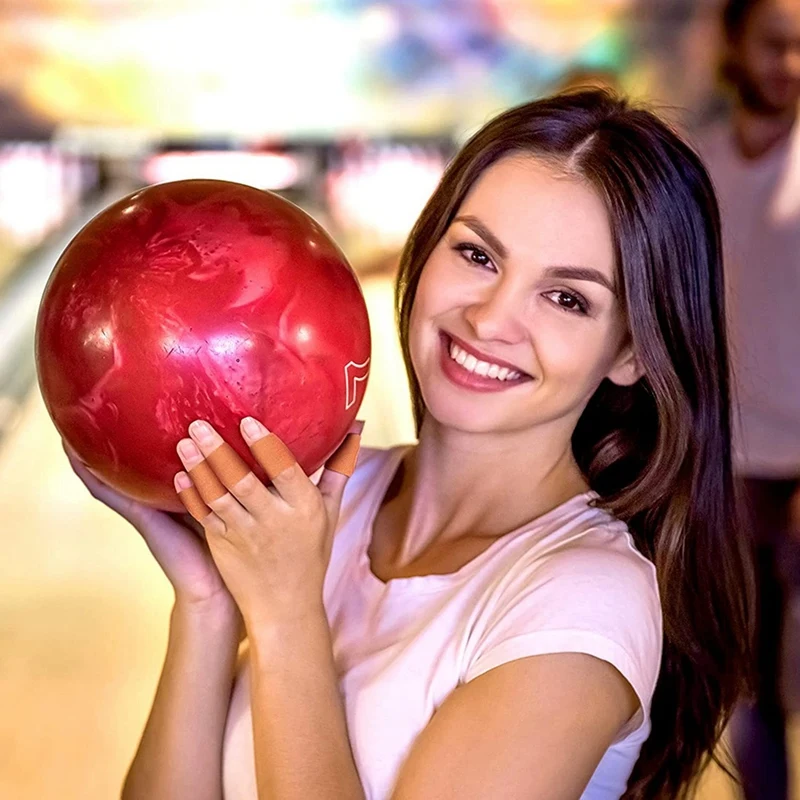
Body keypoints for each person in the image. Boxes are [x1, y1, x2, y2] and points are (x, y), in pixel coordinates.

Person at [65, 90, 753, 800]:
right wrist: (207, 604)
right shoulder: (333, 498)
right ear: (426, 252)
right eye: (478, 255)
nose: (490, 320)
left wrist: (284, 615)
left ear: (633, 352)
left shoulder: (582, 599)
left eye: (568, 298)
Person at [693, 1, 800, 797]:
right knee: (746, 678)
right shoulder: (697, 166)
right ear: (734, 41)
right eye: (775, 44)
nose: (792, 64)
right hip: (729, 464)